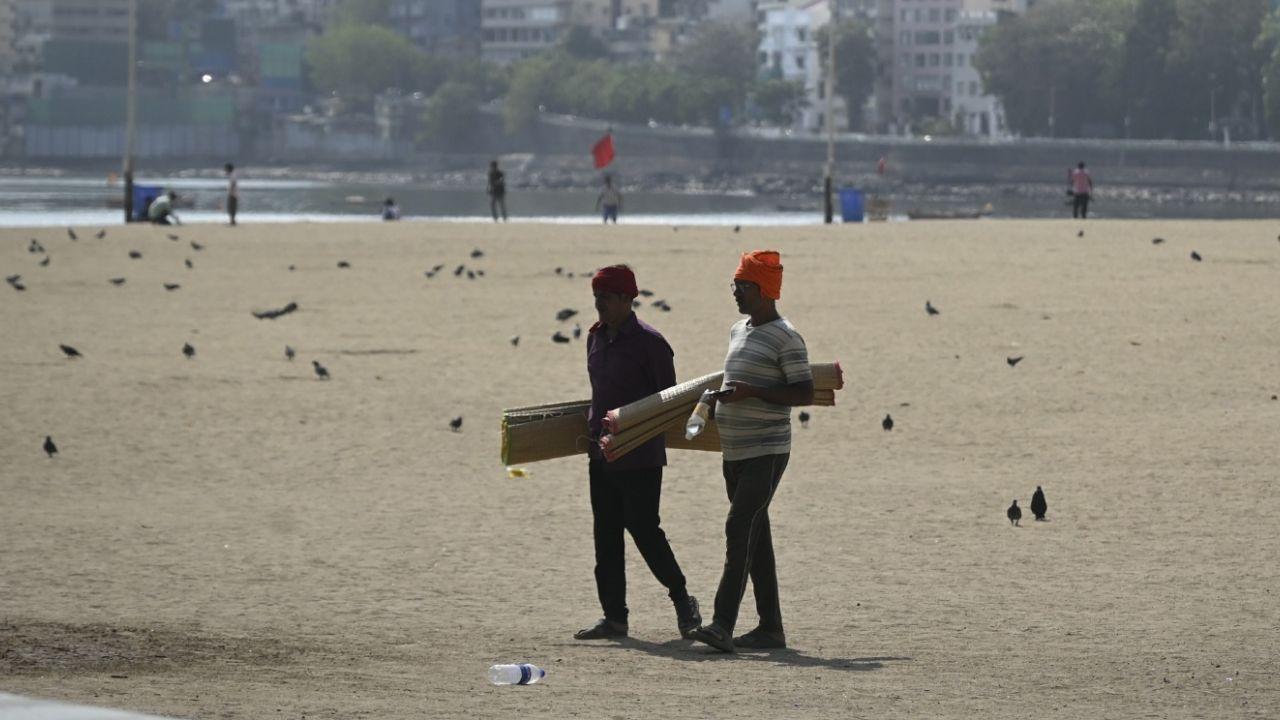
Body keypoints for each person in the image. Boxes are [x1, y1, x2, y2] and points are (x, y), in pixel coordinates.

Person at [689, 250, 813, 654]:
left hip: (768, 450)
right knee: (756, 537)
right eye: (734, 285)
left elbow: (803, 392)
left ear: (763, 290)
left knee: (738, 527)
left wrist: (753, 391)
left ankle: (722, 623)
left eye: (742, 286)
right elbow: (736, 379)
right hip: (735, 451)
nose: (735, 293)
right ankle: (771, 629)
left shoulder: (787, 337)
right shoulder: (737, 330)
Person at [576, 264, 701, 641]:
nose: (600, 306)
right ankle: (614, 618)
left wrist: (637, 431)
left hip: (641, 457)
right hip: (601, 456)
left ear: (628, 300)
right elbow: (598, 394)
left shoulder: (651, 343)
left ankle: (683, 600)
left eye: (607, 299)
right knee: (606, 536)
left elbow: (671, 399)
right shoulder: (595, 338)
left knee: (645, 531)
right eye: (597, 298)